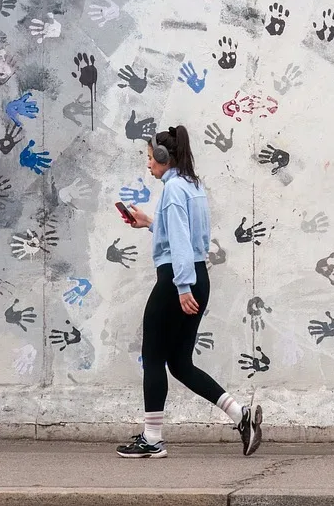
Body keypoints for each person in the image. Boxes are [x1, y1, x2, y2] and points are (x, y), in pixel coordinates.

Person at [115, 125, 262, 459]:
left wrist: (181, 288)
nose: (148, 164)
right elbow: (186, 235)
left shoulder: (172, 191)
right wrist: (150, 223)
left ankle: (152, 439)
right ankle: (242, 417)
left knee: (153, 356)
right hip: (197, 275)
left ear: (165, 157)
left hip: (176, 280)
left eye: (150, 158)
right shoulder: (192, 186)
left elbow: (180, 242)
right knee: (179, 362)